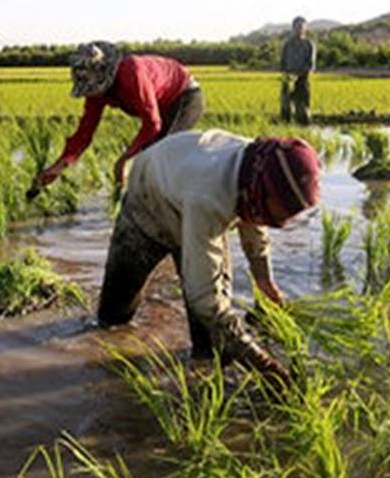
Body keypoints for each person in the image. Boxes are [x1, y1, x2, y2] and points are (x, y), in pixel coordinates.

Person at [97, 129, 322, 382]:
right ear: (262, 189)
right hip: (147, 204)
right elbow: (207, 299)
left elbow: (254, 221)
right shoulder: (210, 197)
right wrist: (263, 363)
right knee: (112, 318)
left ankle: (201, 380)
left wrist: (264, 281)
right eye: (279, 214)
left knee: (212, 346)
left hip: (189, 197)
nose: (278, 221)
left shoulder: (257, 166)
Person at [31, 41, 204, 195]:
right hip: (161, 105)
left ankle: (194, 199)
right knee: (149, 161)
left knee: (162, 155)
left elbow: (152, 123)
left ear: (103, 73)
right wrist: (59, 166)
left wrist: (124, 159)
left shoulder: (132, 73)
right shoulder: (96, 94)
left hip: (184, 95)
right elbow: (84, 134)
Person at [279, 16, 316, 125]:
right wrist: (287, 75)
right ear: (293, 28)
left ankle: (304, 129)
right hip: (288, 78)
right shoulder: (287, 44)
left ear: (305, 29)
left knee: (302, 107)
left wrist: (299, 75)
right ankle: (286, 128)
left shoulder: (309, 44)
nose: (299, 29)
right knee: (286, 106)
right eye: (296, 27)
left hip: (303, 79)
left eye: (301, 27)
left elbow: (311, 65)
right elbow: (283, 62)